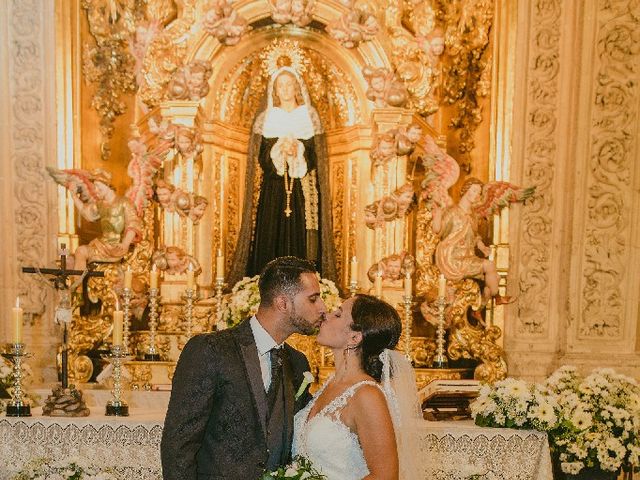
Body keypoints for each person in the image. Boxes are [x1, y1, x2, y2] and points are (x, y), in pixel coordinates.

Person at [161, 256, 326, 479]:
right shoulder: (211, 350)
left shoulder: (297, 363)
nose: (323, 308)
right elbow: (179, 442)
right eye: (313, 299)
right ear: (282, 303)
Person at [293, 294, 422, 480]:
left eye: (337, 315)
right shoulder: (329, 385)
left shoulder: (367, 395)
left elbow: (385, 476)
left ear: (354, 337)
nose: (326, 316)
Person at [229, 66, 337, 285]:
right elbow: (261, 158)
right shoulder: (268, 117)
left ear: (297, 87)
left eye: (289, 84)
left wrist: (299, 150)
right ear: (275, 90)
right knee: (271, 229)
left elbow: (318, 155)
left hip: (302, 187)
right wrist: (277, 150)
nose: (285, 89)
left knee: (300, 230)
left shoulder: (308, 116)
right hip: (274, 187)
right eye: (281, 85)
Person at [432, 177, 507, 304]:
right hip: (452, 258)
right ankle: (498, 297)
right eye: (474, 191)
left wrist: (482, 247)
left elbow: (475, 236)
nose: (477, 195)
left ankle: (481, 306)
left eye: (479, 193)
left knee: (495, 278)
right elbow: (438, 230)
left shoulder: (473, 215)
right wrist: (438, 211)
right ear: (466, 191)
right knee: (490, 267)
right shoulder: (453, 212)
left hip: (467, 256)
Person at [70, 169, 142, 271]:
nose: (96, 190)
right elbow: (85, 211)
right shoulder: (100, 205)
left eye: (99, 187)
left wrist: (125, 243)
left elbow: (133, 224)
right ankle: (78, 284)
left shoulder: (125, 203)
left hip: (118, 245)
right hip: (102, 245)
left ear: (107, 186)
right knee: (80, 251)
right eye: (95, 188)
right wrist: (73, 196)